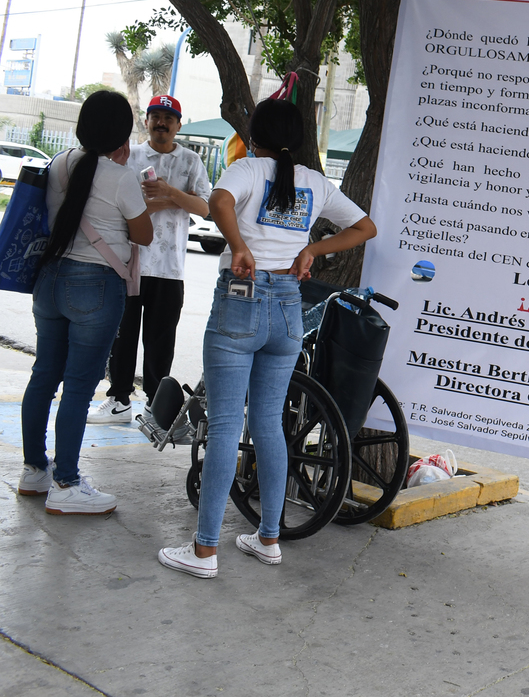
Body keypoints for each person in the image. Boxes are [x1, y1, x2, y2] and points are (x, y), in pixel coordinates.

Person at [158, 98, 376, 579]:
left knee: (223, 426)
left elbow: (218, 202)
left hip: (241, 300)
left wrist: (239, 246)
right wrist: (311, 249)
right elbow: (365, 227)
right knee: (269, 424)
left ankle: (204, 551)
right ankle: (269, 538)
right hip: (287, 309)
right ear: (297, 139)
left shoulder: (249, 169)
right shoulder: (316, 184)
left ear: (253, 134)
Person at [17, 91, 154, 515]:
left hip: (50, 278)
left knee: (44, 376)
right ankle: (67, 484)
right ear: (120, 134)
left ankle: (35, 471)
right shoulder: (121, 176)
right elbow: (144, 236)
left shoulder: (59, 163)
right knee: (78, 386)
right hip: (94, 285)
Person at [88, 95, 211, 425]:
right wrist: (171, 202)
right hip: (128, 262)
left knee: (161, 341)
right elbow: (123, 204)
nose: (162, 123)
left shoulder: (191, 161)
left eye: (168, 118)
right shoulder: (130, 156)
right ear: (146, 121)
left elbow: (205, 207)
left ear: (178, 125)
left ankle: (156, 407)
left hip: (170, 268)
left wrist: (171, 194)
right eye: (156, 116)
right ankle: (119, 400)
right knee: (122, 334)